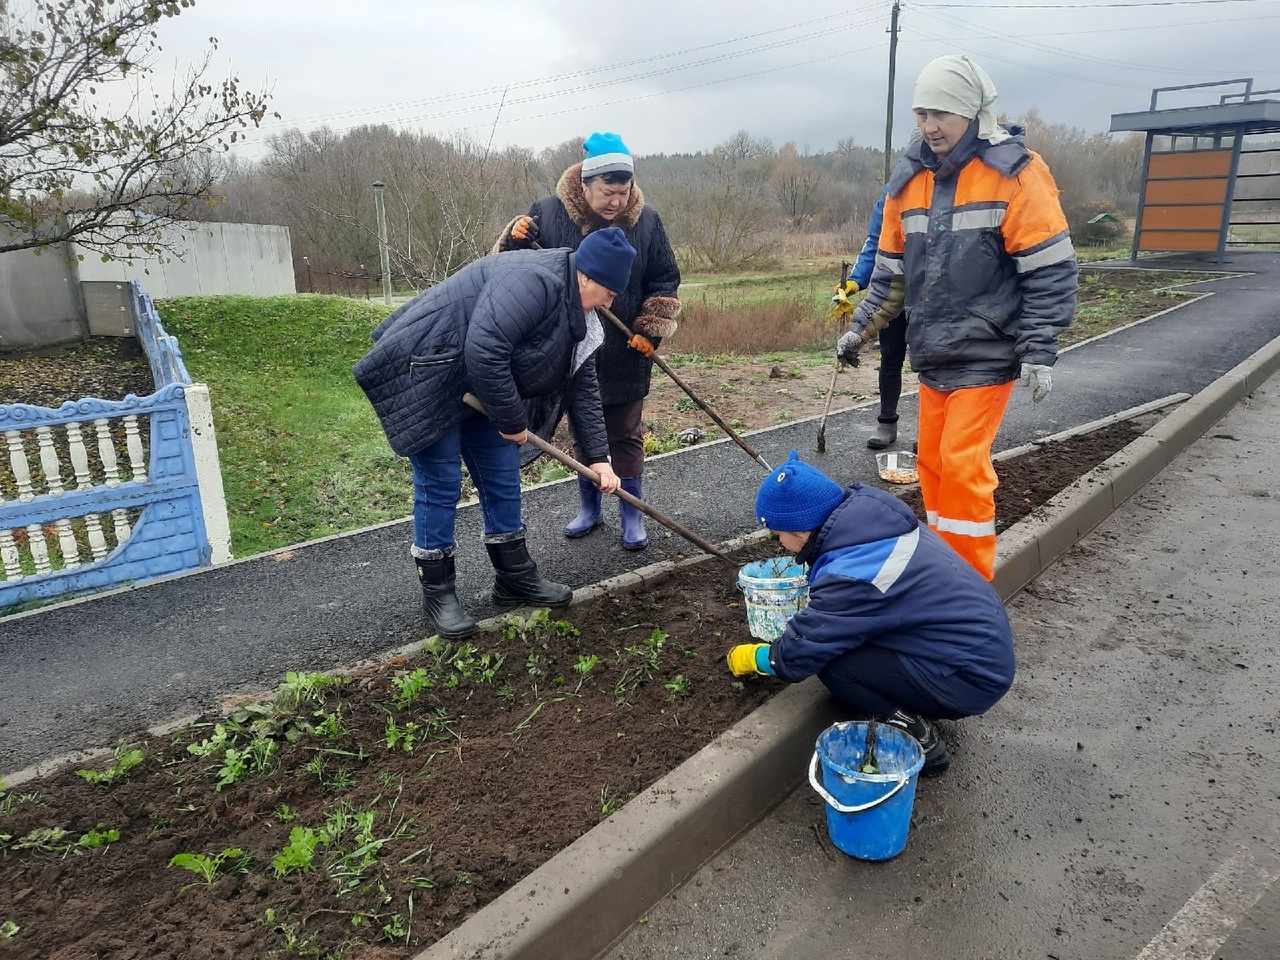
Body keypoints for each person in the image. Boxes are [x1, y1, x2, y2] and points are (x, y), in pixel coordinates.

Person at [837, 54, 1077, 580]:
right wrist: (860, 327)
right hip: (934, 353)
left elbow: (1050, 270)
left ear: (973, 113)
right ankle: (944, 572)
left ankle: (967, 591)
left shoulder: (1015, 174)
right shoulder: (910, 181)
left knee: (963, 466)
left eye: (941, 113)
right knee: (932, 466)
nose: (929, 125)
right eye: (922, 113)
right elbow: (891, 275)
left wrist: (1039, 350)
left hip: (988, 350)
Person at [353, 228, 634, 640]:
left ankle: (514, 577)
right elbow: (486, 347)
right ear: (586, 277)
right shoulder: (534, 281)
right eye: (609, 293)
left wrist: (598, 457)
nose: (610, 304)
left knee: (502, 477)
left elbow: (583, 383)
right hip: (431, 370)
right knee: (440, 483)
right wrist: (513, 422)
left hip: (483, 384)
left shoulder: (581, 314)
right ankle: (438, 591)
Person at [726, 450, 1016, 776]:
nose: (779, 542)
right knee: (846, 642)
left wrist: (758, 658)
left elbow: (798, 657)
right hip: (978, 650)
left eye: (777, 532)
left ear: (801, 531)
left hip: (969, 679)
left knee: (837, 666)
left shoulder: (853, 573)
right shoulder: (871, 525)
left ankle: (916, 735)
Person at [494, 132, 681, 551]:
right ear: (583, 185)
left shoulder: (646, 222)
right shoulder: (548, 213)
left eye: (623, 191)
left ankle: (632, 514)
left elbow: (665, 278)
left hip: (626, 349)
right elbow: (515, 267)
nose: (616, 201)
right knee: (584, 432)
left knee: (627, 433)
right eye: (606, 192)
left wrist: (650, 329)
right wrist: (513, 237)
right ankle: (590, 507)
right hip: (571, 349)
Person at [831, 187, 905, 450]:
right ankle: (887, 422)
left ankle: (933, 432)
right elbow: (874, 242)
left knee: (932, 364)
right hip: (891, 289)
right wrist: (854, 282)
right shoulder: (892, 193)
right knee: (890, 357)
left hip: (933, 295)